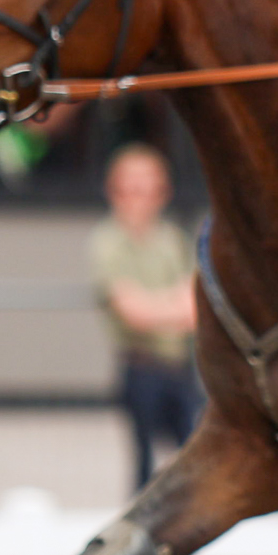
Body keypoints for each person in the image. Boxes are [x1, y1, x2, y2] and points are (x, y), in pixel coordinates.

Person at [91, 143, 202, 487]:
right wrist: (169, 305)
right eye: (131, 188)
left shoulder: (172, 240)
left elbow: (193, 307)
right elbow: (132, 312)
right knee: (143, 459)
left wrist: (155, 305)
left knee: (195, 451)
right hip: (140, 364)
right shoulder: (108, 241)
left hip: (180, 364)